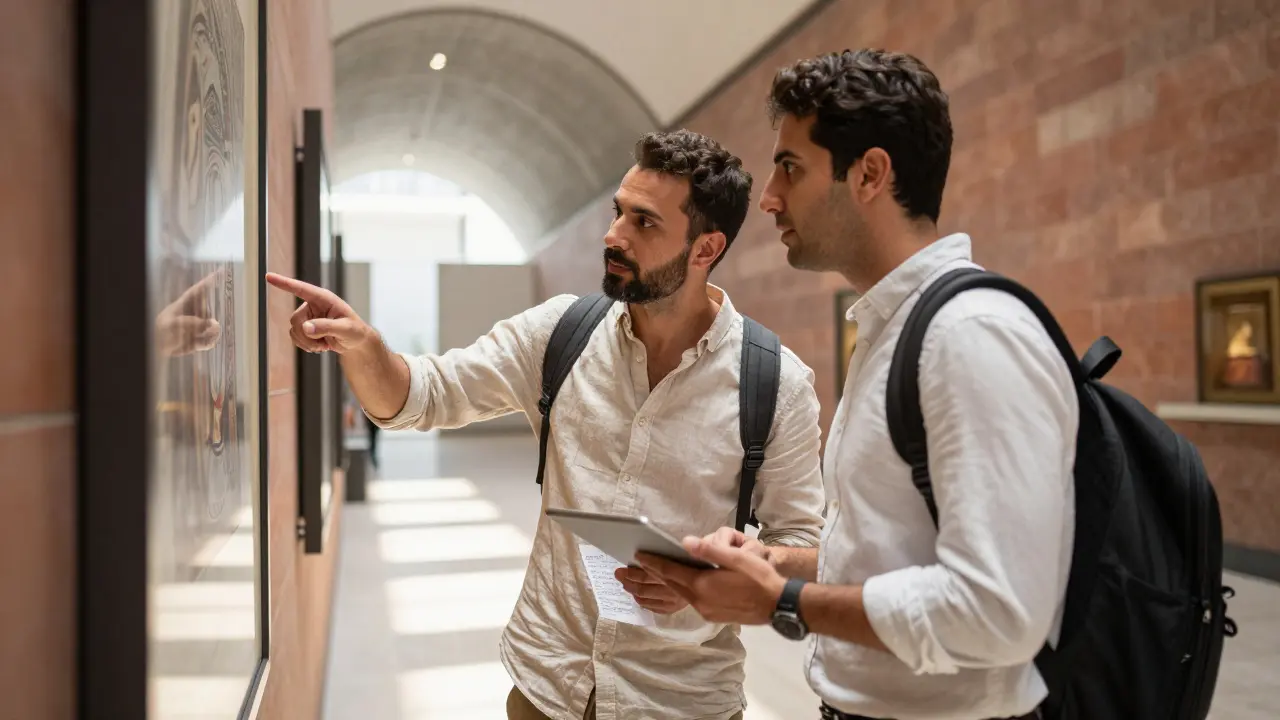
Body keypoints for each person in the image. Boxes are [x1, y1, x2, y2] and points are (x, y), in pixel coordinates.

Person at [267, 129, 827, 720]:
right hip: (547, 685)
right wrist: (364, 346)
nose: (614, 235)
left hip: (680, 700)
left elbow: (805, 545)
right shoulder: (561, 333)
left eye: (644, 222)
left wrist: (723, 572)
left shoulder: (776, 383)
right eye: (618, 211)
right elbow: (426, 394)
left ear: (704, 249)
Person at [637, 49, 1077, 720]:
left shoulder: (970, 336)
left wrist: (782, 603)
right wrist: (772, 563)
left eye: (791, 167)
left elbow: (1001, 612)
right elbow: (891, 553)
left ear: (870, 174)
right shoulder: (894, 329)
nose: (769, 197)